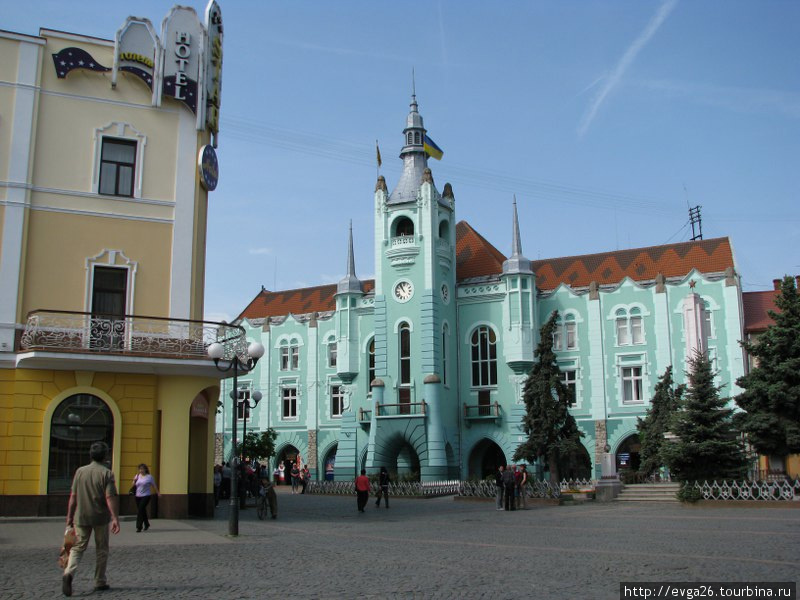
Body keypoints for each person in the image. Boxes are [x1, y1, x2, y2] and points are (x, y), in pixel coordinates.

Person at [62, 441, 120, 597]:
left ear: (91, 455)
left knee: (78, 547)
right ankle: (99, 581)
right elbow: (110, 497)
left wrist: (69, 517)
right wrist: (115, 518)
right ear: (105, 456)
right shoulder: (107, 473)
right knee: (102, 549)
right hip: (100, 517)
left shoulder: (80, 472)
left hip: (80, 516)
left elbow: (73, 498)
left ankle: (69, 573)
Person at [132, 463, 159, 532]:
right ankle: (146, 524)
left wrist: (158, 493)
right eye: (140, 469)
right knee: (142, 510)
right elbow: (133, 485)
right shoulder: (137, 476)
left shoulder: (149, 477)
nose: (141, 470)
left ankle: (139, 527)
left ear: (145, 469)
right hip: (137, 496)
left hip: (146, 496)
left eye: (142, 469)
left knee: (140, 510)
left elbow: (154, 485)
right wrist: (134, 481)